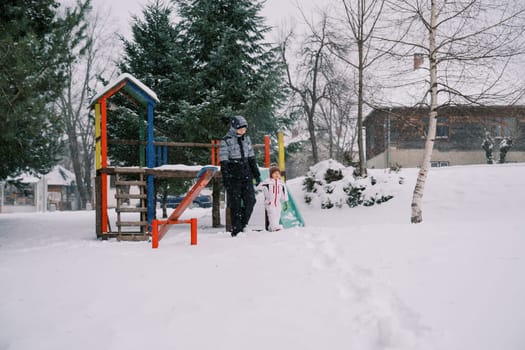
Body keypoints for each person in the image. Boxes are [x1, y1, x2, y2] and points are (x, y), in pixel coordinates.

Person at [219, 115, 261, 237]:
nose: (243, 131)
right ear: (234, 127)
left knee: (251, 200)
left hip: (246, 174)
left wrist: (256, 174)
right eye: (240, 129)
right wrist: (226, 178)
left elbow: (252, 158)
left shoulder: (246, 139)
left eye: (244, 128)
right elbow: (224, 161)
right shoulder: (226, 140)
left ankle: (243, 224)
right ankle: (236, 230)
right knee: (235, 203)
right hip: (233, 175)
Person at [260, 165, 288, 232]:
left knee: (277, 215)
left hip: (278, 203)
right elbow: (259, 186)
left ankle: (271, 227)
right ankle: (275, 228)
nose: (277, 175)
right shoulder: (267, 182)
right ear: (271, 174)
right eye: (275, 173)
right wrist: (257, 186)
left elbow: (284, 192)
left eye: (278, 173)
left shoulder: (281, 183)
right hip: (270, 202)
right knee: (272, 215)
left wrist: (285, 201)